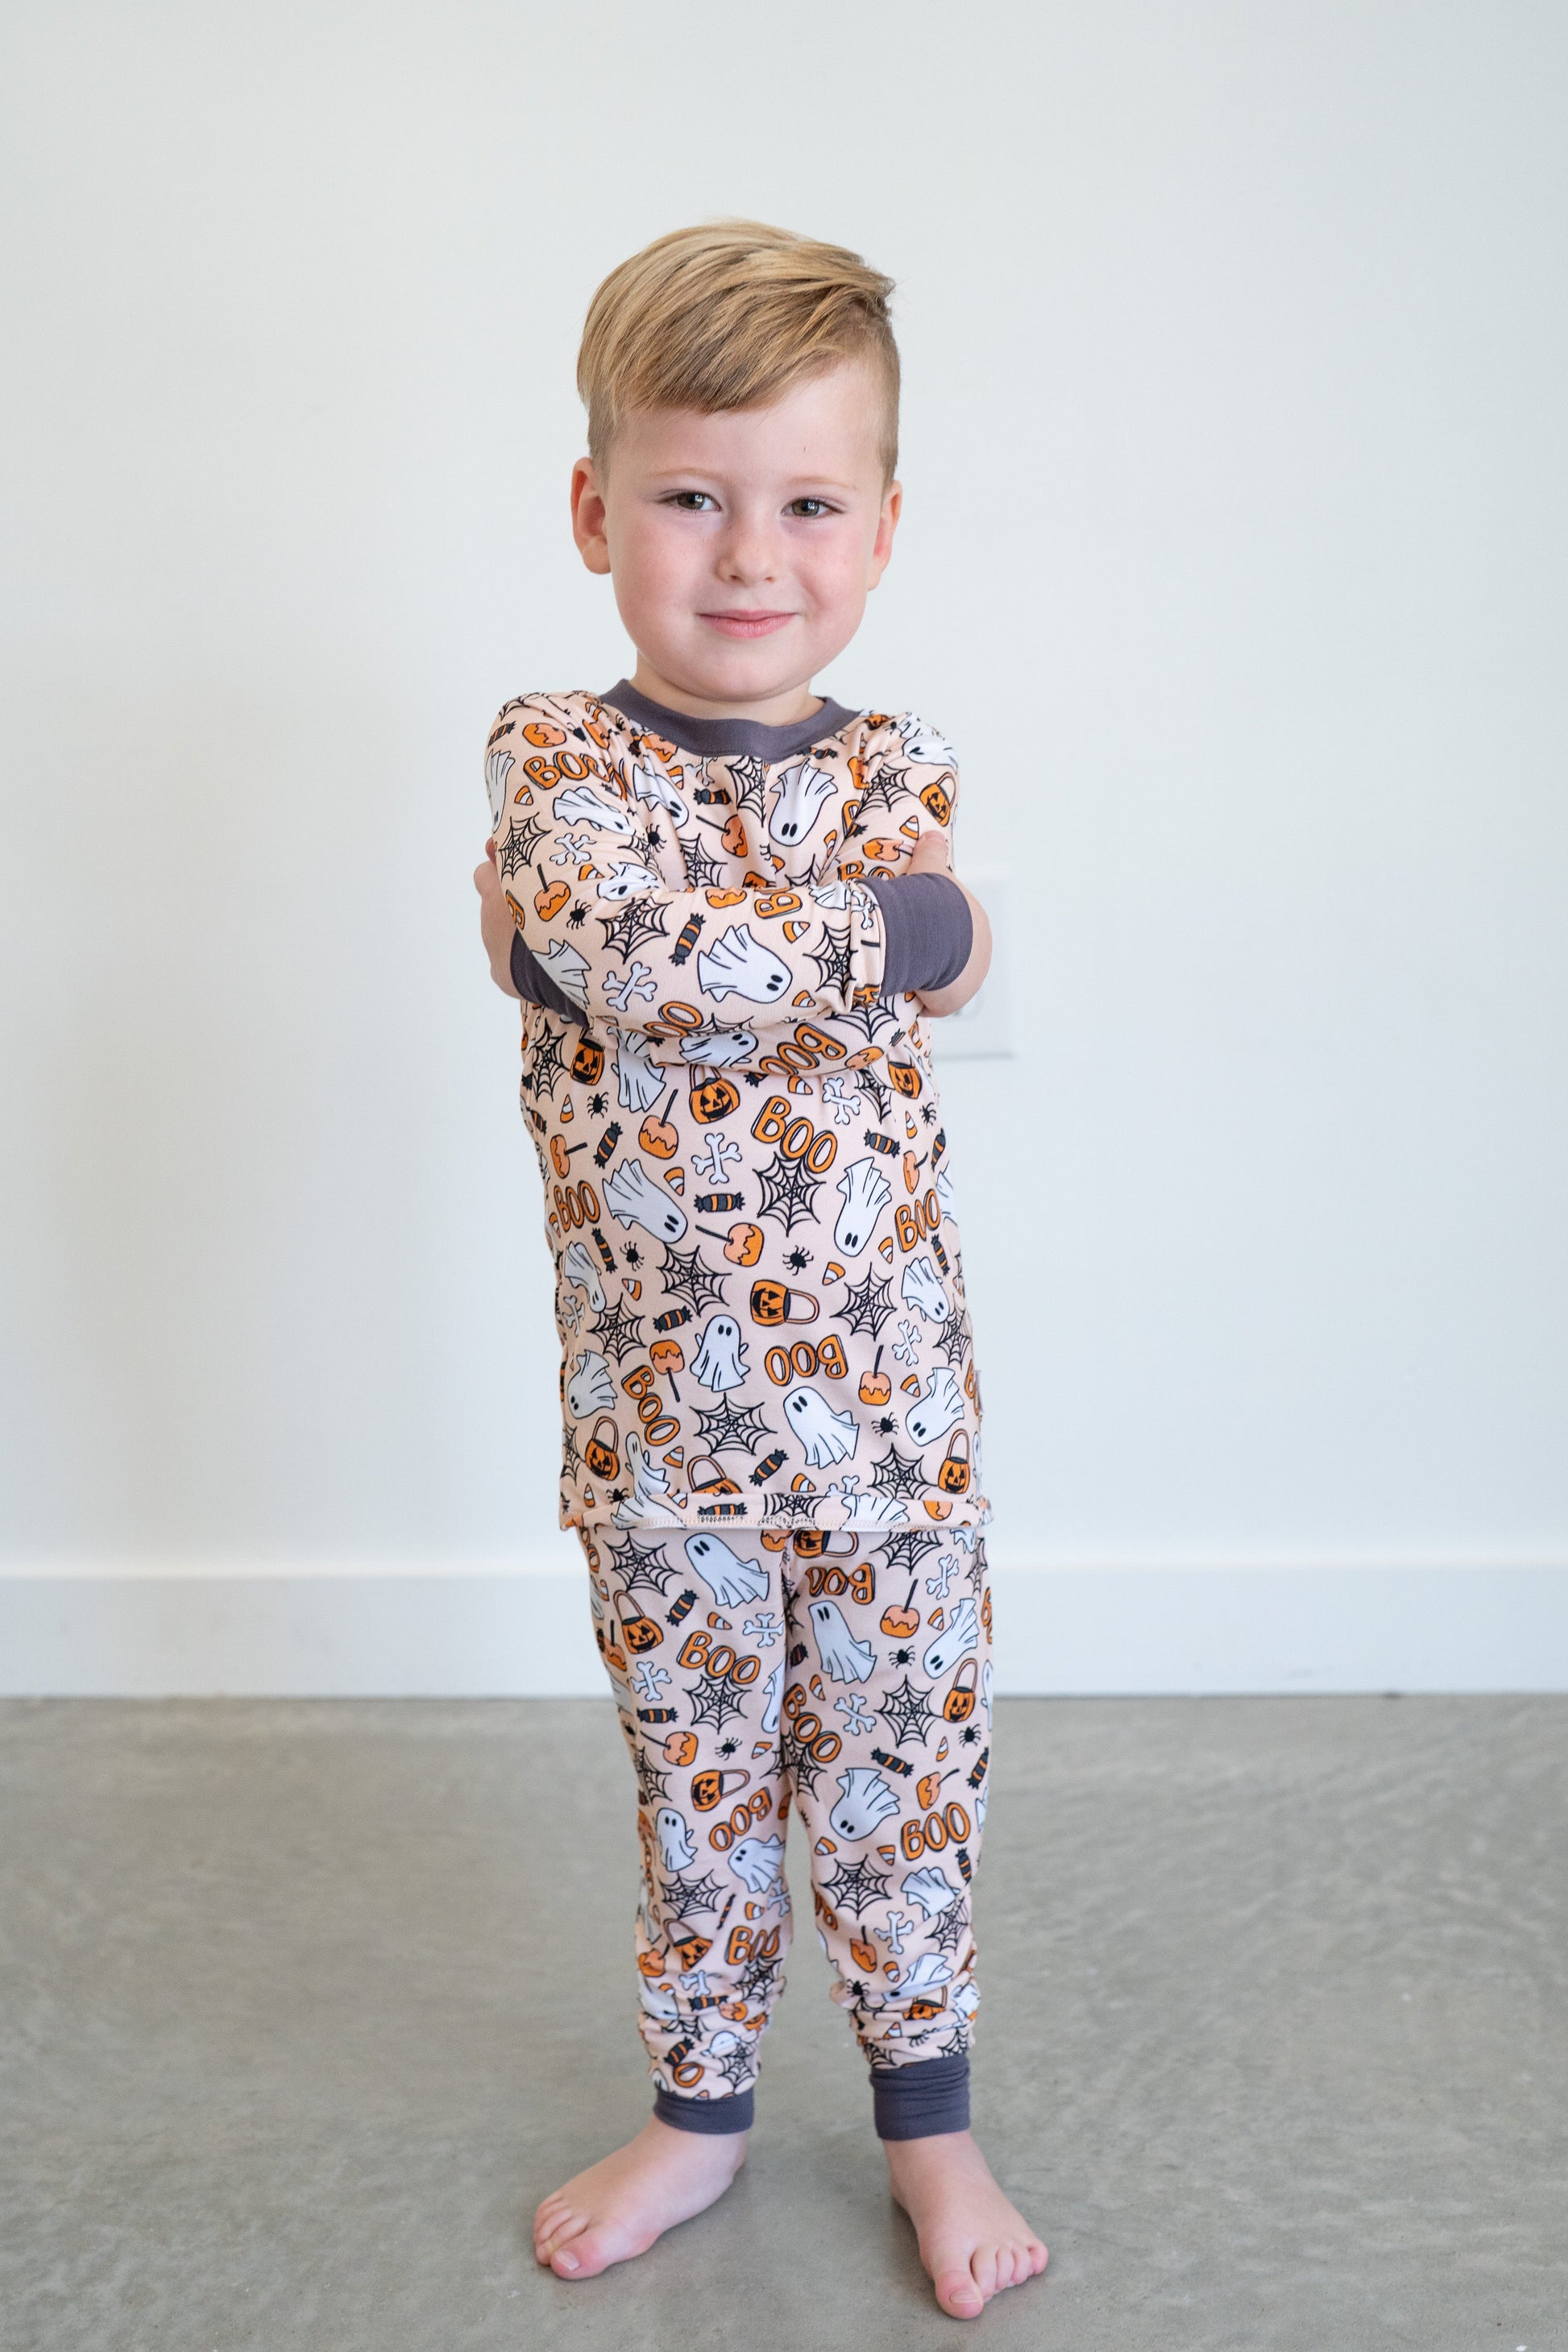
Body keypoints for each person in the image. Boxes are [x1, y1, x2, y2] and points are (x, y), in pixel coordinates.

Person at [473, 220, 1047, 2320]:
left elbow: (659, 963)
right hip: (659, 1431)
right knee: (699, 1793)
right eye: (690, 496)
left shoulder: (896, 764)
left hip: (891, 1425)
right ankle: (699, 2114)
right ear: (591, 510)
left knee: (903, 1783)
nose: (746, 556)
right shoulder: (552, 755)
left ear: (881, 529)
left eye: (807, 504)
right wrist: (883, 940)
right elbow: (664, 955)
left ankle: (929, 2128)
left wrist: (632, 959)